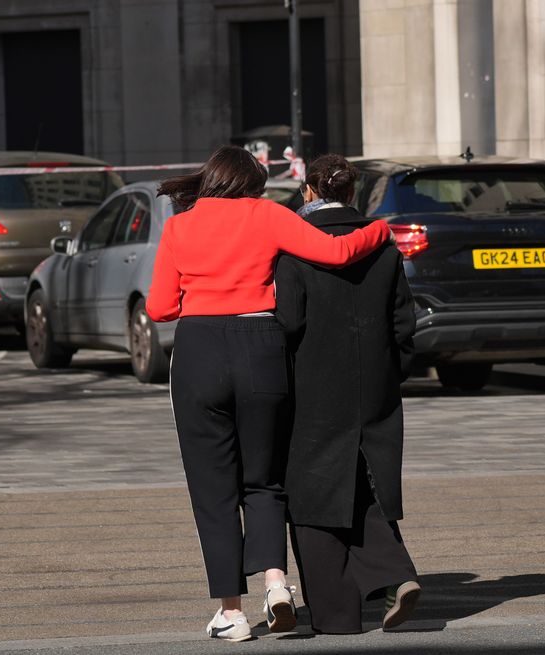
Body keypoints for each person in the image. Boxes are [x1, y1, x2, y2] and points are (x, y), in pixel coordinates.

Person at [145, 146, 391, 642]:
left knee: (213, 491)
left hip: (198, 352)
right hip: (260, 347)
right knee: (264, 479)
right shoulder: (268, 214)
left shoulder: (180, 226)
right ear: (252, 185)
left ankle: (231, 613)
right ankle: (277, 584)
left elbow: (159, 308)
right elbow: (338, 252)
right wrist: (380, 229)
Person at [275, 154, 420, 635]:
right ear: (352, 193)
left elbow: (290, 320)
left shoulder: (296, 244)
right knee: (366, 482)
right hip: (375, 380)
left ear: (309, 192)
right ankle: (395, 574)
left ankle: (337, 617)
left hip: (313, 384)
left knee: (312, 494)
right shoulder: (381, 243)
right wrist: (394, 369)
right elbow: (403, 319)